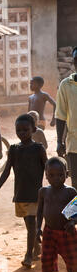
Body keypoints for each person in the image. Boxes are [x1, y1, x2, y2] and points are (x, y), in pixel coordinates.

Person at [0, 114, 47, 268]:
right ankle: (36, 247)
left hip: (35, 194)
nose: (21, 133)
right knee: (30, 226)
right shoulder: (14, 150)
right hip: (20, 194)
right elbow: (7, 171)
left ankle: (28, 255)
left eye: (25, 130)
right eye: (18, 130)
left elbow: (47, 168)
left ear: (33, 129)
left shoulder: (39, 149)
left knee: (30, 223)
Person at [36, 157, 77, 272]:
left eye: (60, 175)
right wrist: (37, 228)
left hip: (67, 233)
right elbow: (40, 211)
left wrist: (73, 223)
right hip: (49, 232)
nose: (56, 178)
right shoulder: (43, 192)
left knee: (73, 262)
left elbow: (76, 212)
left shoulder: (70, 192)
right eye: (51, 175)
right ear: (46, 175)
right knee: (46, 261)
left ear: (67, 174)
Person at [56, 47, 77, 189]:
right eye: (76, 60)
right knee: (75, 184)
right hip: (74, 144)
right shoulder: (66, 85)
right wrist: (59, 141)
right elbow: (60, 115)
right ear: (73, 62)